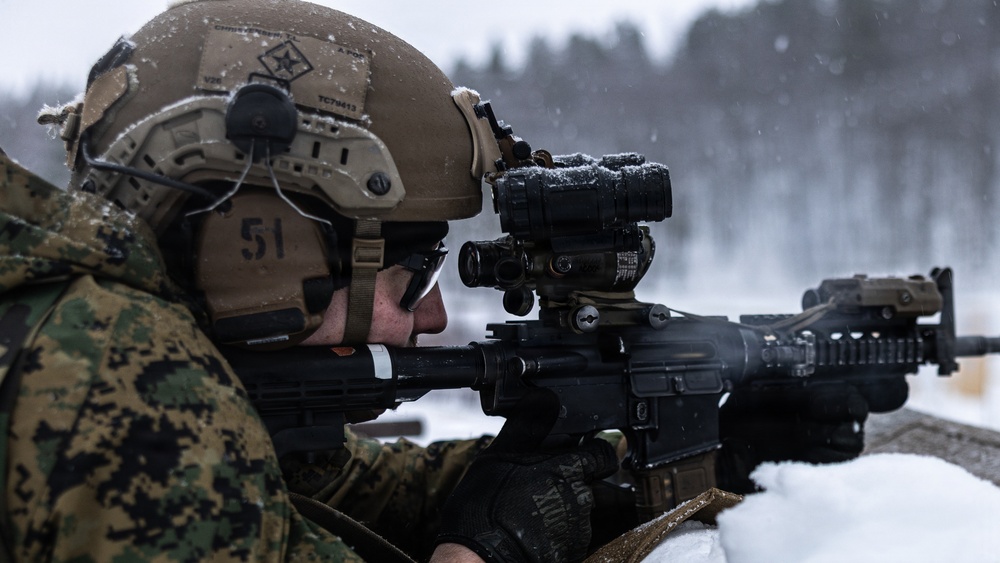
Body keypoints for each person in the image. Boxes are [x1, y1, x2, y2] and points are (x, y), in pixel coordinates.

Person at [0, 1, 907, 562]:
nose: (432, 314)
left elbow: (350, 503)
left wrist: (672, 450)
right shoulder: (114, 373)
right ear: (257, 246)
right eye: (411, 266)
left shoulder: (91, 338)